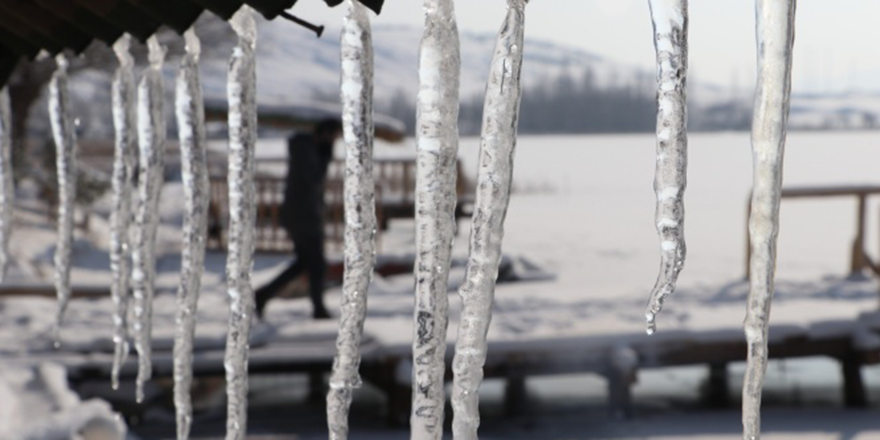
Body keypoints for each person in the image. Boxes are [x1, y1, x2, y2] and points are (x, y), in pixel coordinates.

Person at [255, 118, 343, 320]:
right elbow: (313, 179)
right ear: (325, 134)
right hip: (303, 216)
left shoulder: (307, 148)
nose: (334, 142)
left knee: (305, 262)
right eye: (334, 137)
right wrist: (326, 155)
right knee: (317, 263)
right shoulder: (306, 150)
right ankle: (318, 309)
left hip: (304, 214)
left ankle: (264, 294)